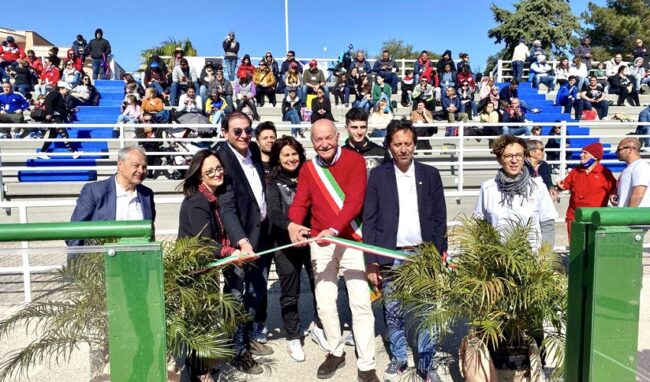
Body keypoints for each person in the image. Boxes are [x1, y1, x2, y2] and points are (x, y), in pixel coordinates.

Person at [287, 119, 380, 382]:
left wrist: (335, 228)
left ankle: (366, 364)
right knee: (325, 302)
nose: (324, 144)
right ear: (312, 141)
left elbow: (355, 201)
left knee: (360, 303)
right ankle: (335, 350)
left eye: (328, 138)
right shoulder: (308, 168)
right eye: (318, 140)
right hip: (322, 242)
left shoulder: (355, 161)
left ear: (337, 136)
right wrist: (293, 223)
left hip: (351, 239)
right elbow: (301, 201)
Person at [363, 120, 446, 382]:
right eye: (397, 144)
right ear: (389, 146)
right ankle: (399, 358)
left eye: (407, 144)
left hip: (423, 254)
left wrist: (440, 251)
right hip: (392, 255)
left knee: (424, 311)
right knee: (394, 310)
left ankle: (426, 363)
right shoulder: (378, 176)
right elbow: (370, 219)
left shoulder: (430, 174)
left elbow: (439, 218)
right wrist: (372, 260)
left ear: (414, 145)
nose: (402, 149)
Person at [216, 112, 274, 373]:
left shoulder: (251, 148)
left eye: (247, 130)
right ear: (225, 132)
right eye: (237, 131)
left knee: (257, 292)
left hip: (260, 235)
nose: (243, 135)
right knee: (237, 296)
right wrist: (241, 242)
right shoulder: (222, 159)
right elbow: (226, 207)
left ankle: (249, 338)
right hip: (240, 242)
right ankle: (237, 351)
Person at [177, 149, 241, 379]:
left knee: (206, 318)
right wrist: (232, 252)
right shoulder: (197, 202)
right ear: (199, 176)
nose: (217, 173)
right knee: (200, 321)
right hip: (195, 272)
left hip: (207, 270)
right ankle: (201, 371)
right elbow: (203, 241)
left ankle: (204, 365)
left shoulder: (213, 197)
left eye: (218, 168)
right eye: (210, 171)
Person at [266, 136, 322, 363]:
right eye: (285, 155)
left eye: (294, 153)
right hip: (285, 244)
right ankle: (293, 336)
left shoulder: (310, 175)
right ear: (278, 158)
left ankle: (320, 326)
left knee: (321, 287)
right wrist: (291, 226)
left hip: (313, 242)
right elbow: (274, 212)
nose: (291, 158)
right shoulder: (272, 182)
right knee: (290, 293)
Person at [474, 135, 558, 250]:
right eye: (508, 156)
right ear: (499, 159)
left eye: (519, 155)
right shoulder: (488, 188)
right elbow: (480, 226)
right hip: (497, 260)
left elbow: (547, 226)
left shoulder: (538, 186)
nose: (514, 160)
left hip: (532, 261)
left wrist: (544, 259)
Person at [69, 145, 155, 232]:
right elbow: (74, 232)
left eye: (144, 167)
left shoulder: (147, 194)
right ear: (120, 165)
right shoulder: (94, 191)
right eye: (136, 165)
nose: (141, 171)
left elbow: (149, 232)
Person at [553, 142, 616, 238]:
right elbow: (564, 185)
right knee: (575, 245)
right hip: (574, 215)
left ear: (595, 157)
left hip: (595, 217)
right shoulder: (576, 170)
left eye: (585, 153)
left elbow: (613, 189)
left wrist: (612, 195)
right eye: (581, 152)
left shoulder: (605, 173)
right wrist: (559, 187)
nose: (581, 155)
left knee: (592, 245)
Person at [38, 81, 79, 159]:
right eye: (67, 89)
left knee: (52, 135)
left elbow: (62, 109)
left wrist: (71, 110)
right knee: (64, 133)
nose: (68, 91)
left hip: (57, 117)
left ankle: (42, 152)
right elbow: (48, 102)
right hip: (54, 118)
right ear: (62, 88)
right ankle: (73, 152)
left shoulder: (60, 96)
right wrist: (49, 113)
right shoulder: (55, 94)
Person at [343, 107, 389, 173]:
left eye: (363, 127)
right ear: (346, 128)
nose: (359, 132)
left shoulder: (381, 153)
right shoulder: (340, 154)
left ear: (367, 127)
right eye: (354, 127)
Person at [612, 138, 650, 207]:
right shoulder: (630, 167)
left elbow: (638, 195)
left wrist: (628, 215)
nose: (616, 152)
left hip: (636, 216)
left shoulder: (640, 166)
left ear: (630, 149)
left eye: (619, 149)